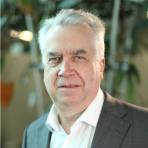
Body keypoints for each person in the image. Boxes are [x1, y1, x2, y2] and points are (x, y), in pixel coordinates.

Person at [22, 9, 148, 148]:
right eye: (55, 59)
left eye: (79, 58)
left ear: (101, 67)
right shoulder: (32, 134)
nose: (64, 71)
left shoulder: (144, 126)